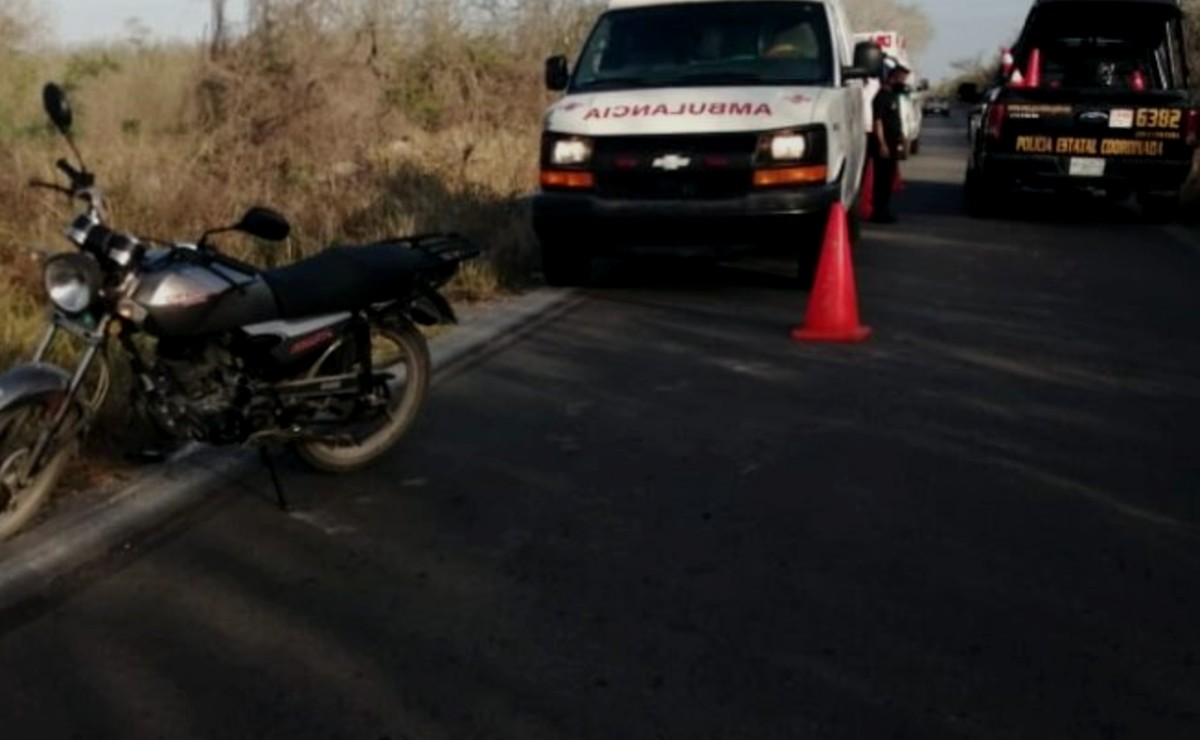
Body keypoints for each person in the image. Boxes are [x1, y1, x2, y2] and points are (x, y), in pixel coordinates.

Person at [868, 57, 908, 224]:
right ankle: (879, 212)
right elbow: (878, 122)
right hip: (883, 145)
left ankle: (884, 210)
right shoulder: (881, 97)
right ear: (891, 77)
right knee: (881, 179)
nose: (902, 82)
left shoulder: (893, 96)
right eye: (900, 78)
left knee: (888, 178)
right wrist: (882, 144)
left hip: (893, 143)